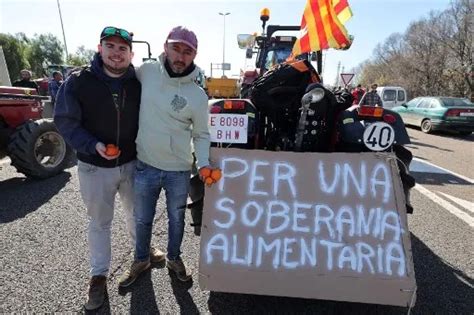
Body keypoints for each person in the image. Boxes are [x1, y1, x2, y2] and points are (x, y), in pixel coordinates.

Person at [53, 26, 164, 311]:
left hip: (131, 162)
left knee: (137, 214)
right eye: (110, 46)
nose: (116, 53)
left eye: (122, 48)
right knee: (100, 223)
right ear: (100, 48)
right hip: (93, 167)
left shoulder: (138, 83)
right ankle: (98, 276)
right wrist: (92, 145)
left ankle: (143, 252)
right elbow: (65, 121)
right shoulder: (78, 81)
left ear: (131, 54)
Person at [118, 26, 211, 287]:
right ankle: (140, 260)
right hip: (145, 165)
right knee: (142, 218)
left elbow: (202, 135)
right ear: (165, 47)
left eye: (187, 52)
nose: (180, 56)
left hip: (179, 170)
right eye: (176, 48)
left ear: (194, 55)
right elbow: (118, 77)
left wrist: (203, 163)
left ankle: (174, 258)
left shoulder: (197, 95)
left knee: (177, 220)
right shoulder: (146, 72)